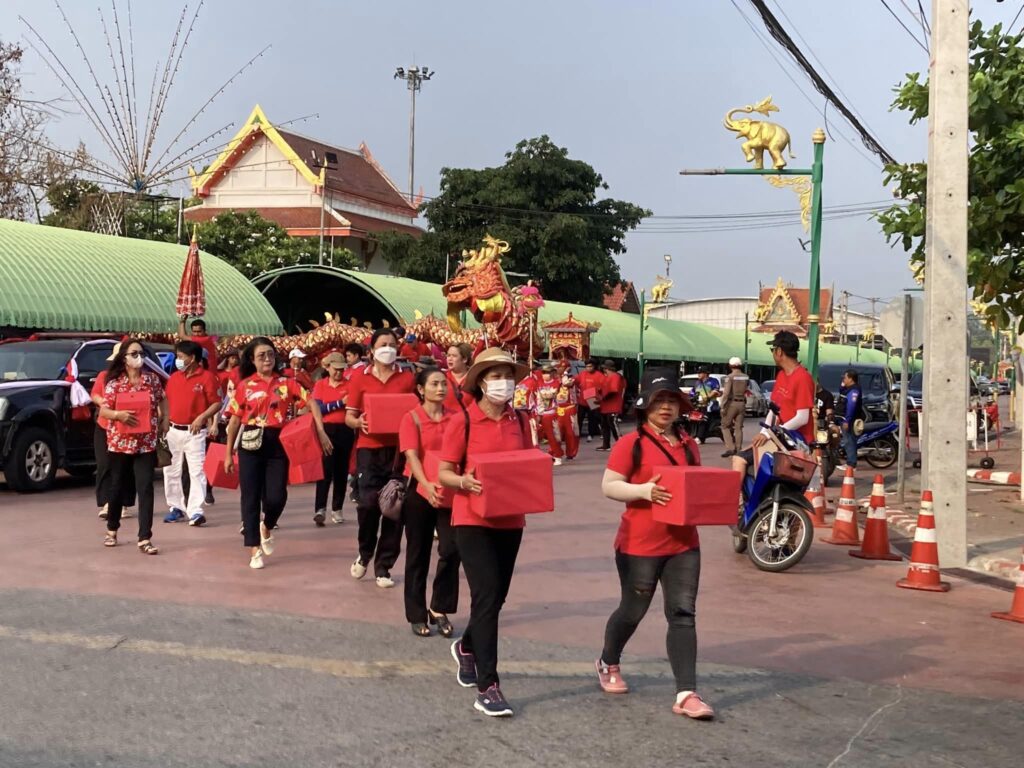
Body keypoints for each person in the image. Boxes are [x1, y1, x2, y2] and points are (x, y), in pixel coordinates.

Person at [596, 369, 714, 720]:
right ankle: (608, 660)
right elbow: (609, 485)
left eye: (672, 401)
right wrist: (643, 491)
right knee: (633, 610)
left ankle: (687, 693)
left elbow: (695, 488)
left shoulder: (689, 445)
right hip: (639, 544)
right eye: (659, 400)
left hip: (683, 544)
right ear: (644, 404)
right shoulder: (630, 444)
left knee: (682, 613)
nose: (666, 407)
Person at [437, 347, 535, 718]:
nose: (503, 383)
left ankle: (466, 646)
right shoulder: (463, 420)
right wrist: (464, 481)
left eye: (508, 376)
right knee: (487, 593)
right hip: (472, 519)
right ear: (480, 382)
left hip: (510, 519)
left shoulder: (520, 421)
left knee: (495, 599)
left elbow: (527, 464)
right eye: (495, 376)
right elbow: (444, 472)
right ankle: (488, 686)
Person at [224, 338, 333, 570]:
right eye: (261, 355)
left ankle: (267, 525)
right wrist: (227, 453)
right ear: (252, 360)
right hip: (250, 442)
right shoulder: (245, 386)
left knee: (277, 496)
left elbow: (312, 403)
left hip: (278, 442)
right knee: (250, 496)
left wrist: (321, 431)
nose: (267, 359)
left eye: (270, 354)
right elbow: (234, 421)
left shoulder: (287, 382)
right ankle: (254, 548)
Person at [345, 328, 416, 588]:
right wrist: (359, 422)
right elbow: (349, 416)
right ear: (372, 350)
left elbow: (415, 411)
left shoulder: (407, 378)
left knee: (394, 507)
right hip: (368, 449)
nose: (388, 348)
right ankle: (365, 552)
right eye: (383, 344)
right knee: (368, 505)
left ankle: (384, 566)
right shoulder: (359, 378)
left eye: (393, 344)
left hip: (398, 451)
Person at [400, 367, 461, 638]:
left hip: (449, 489)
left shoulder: (456, 418)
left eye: (444, 384)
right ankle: (416, 613)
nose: (440, 389)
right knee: (418, 552)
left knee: (452, 548)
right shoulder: (411, 418)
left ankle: (439, 607)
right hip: (420, 491)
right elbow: (412, 456)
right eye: (434, 384)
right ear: (421, 389)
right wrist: (426, 484)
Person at [97, 340, 169, 554]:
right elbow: (104, 411)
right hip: (120, 443)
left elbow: (162, 399)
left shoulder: (151, 380)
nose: (139, 357)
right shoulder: (114, 384)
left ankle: (145, 537)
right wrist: (118, 415)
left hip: (145, 443)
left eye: (141, 353)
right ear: (124, 358)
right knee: (117, 486)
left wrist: (165, 418)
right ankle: (112, 529)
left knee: (145, 487)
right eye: (134, 353)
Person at [731, 331, 814, 476]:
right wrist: (764, 433)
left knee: (739, 459)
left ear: (779, 351)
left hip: (795, 442)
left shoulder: (803, 377)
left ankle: (736, 493)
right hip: (779, 438)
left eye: (773, 350)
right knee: (746, 455)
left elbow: (802, 418)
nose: (773, 354)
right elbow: (773, 410)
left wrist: (772, 433)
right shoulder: (781, 375)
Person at [162, 340, 222, 526]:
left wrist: (202, 417)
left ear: (193, 358)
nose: (178, 360)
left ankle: (195, 510)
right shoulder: (174, 378)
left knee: (197, 471)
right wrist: (163, 421)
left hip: (195, 432)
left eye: (181, 357)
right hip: (173, 430)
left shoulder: (207, 378)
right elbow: (166, 400)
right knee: (171, 470)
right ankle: (176, 507)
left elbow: (216, 403)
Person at [92, 343, 135, 520]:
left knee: (124, 466)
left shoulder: (135, 378)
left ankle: (123, 503)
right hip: (105, 426)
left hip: (126, 428)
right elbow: (95, 394)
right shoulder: (104, 376)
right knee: (104, 464)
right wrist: (104, 402)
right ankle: (107, 502)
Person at [312, 352, 355, 526]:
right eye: (335, 369)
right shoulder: (320, 385)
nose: (339, 373)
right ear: (327, 367)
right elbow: (318, 408)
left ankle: (337, 508)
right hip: (326, 430)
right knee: (325, 470)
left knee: (341, 471)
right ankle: (320, 508)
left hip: (345, 430)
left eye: (341, 369)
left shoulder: (350, 385)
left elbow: (354, 405)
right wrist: (339, 403)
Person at [719, 357, 749, 458]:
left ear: (730, 366)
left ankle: (730, 448)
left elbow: (726, 393)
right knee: (738, 427)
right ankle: (739, 449)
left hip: (732, 403)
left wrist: (722, 406)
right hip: (742, 403)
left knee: (725, 425)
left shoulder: (729, 377)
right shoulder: (746, 377)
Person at [689, 367, 722, 445]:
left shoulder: (713, 381)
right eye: (698, 373)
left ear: (706, 374)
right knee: (696, 420)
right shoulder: (697, 382)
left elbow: (716, 391)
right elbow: (692, 392)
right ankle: (698, 437)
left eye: (700, 373)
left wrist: (707, 397)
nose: (698, 374)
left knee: (703, 420)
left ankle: (699, 437)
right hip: (698, 405)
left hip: (709, 405)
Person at [838, 369, 864, 470]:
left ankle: (851, 464)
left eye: (845, 378)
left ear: (851, 379)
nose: (843, 379)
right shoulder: (848, 389)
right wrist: (842, 384)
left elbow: (851, 406)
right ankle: (850, 462)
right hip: (845, 418)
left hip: (851, 420)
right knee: (848, 440)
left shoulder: (854, 391)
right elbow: (841, 391)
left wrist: (847, 420)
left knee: (849, 441)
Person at [597, 359, 625, 451]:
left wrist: (603, 397)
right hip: (605, 406)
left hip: (613, 406)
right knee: (605, 425)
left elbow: (613, 390)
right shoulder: (608, 377)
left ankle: (621, 444)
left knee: (613, 425)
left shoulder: (615, 377)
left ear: (606, 368)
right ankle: (606, 444)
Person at [576, 359, 605, 443]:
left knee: (592, 418)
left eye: (590, 366)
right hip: (582, 400)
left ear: (594, 366)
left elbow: (603, 387)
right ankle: (578, 434)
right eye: (587, 366)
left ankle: (591, 434)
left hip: (593, 399)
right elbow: (576, 381)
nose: (588, 368)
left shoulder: (599, 375)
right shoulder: (582, 374)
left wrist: (599, 397)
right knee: (579, 418)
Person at [444, 343, 474, 408]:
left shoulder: (474, 378)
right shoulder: (442, 378)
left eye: (454, 356)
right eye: (448, 355)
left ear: (464, 359)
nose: (449, 359)